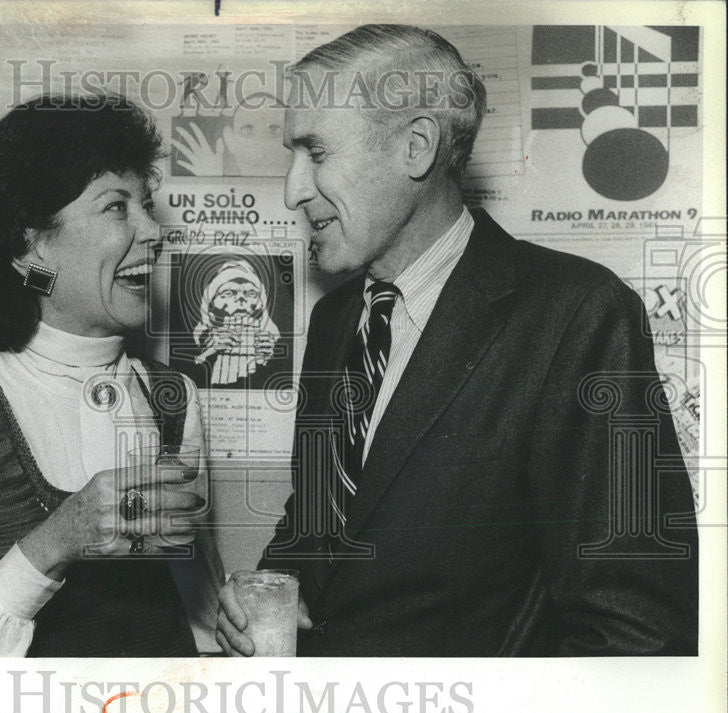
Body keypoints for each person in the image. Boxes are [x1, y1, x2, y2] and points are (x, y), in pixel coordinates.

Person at [216, 25, 698, 657]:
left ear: (416, 147)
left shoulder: (576, 314)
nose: (292, 190)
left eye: (316, 152)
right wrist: (266, 593)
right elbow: (324, 519)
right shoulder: (337, 320)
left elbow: (638, 631)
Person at [0, 94, 223, 657]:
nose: (153, 232)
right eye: (117, 207)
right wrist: (57, 540)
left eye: (146, 205)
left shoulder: (175, 400)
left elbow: (190, 606)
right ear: (30, 252)